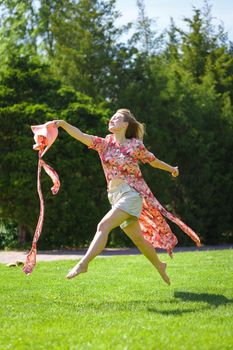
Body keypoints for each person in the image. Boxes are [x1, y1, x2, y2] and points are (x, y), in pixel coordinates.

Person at [54, 109, 201, 285]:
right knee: (138, 239)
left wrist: (172, 169)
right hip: (114, 196)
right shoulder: (104, 143)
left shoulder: (135, 145)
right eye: (112, 117)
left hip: (131, 194)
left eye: (116, 118)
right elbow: (81, 135)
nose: (112, 120)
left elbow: (152, 161)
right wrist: (63, 124)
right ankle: (159, 265)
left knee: (103, 225)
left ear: (125, 125)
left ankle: (83, 264)